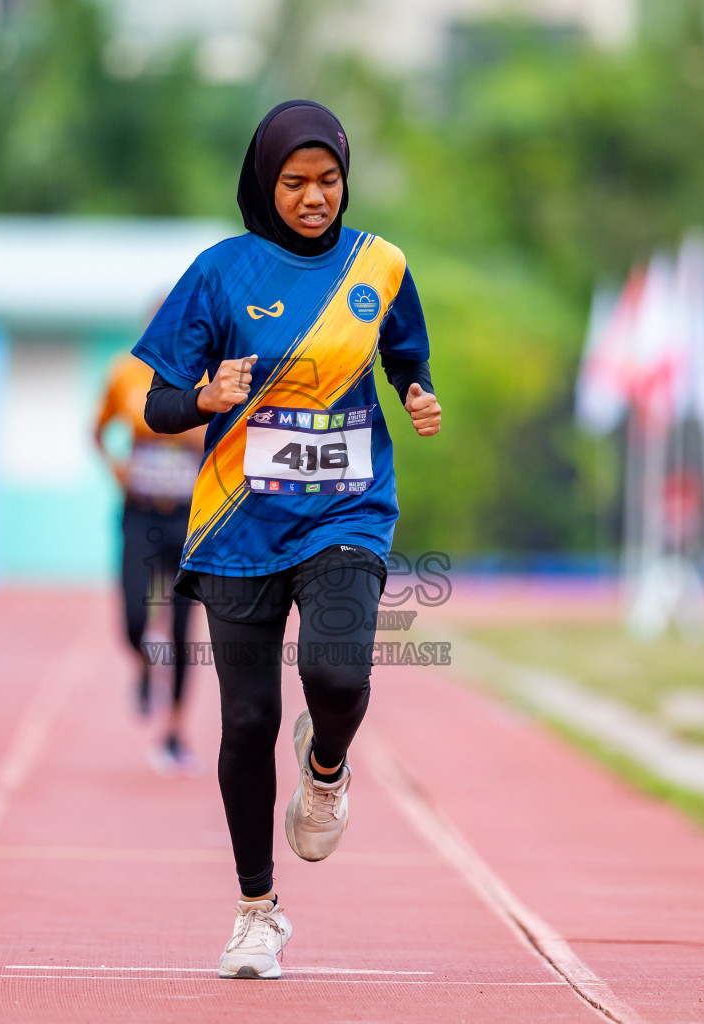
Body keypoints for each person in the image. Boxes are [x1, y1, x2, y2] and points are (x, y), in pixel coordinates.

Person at [133, 99, 441, 979]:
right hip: (237, 522)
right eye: (296, 182)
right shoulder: (221, 274)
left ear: (347, 179)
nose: (315, 197)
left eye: (329, 180)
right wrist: (203, 399)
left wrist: (417, 392)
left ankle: (328, 762)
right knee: (248, 721)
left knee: (337, 673)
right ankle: (257, 910)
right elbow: (158, 404)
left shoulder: (381, 265)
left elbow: (404, 357)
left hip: (348, 511)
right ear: (266, 184)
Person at [94, 352, 205, 775]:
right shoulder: (125, 372)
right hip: (140, 513)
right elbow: (97, 431)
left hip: (188, 516)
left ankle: (174, 733)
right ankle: (143, 660)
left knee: (181, 629)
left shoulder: (213, 372)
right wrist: (115, 467)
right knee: (133, 618)